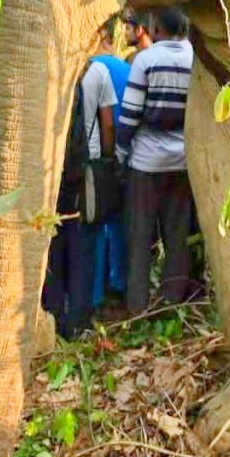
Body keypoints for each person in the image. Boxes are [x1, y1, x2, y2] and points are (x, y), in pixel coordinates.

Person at [117, 7, 197, 314]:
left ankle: (137, 306)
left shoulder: (146, 60)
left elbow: (130, 116)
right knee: (177, 237)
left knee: (140, 237)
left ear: (156, 28)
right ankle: (171, 305)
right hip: (182, 162)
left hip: (147, 164)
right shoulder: (194, 58)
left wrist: (122, 156)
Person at [44, 39, 118, 337]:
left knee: (53, 242)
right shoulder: (97, 71)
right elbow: (108, 123)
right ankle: (80, 318)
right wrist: (108, 159)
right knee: (84, 243)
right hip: (85, 170)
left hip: (52, 169)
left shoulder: (51, 70)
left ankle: (54, 315)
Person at [90, 18, 131, 311]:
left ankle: (95, 289)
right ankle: (119, 283)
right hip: (127, 156)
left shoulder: (87, 70)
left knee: (94, 223)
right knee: (118, 221)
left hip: (95, 159)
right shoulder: (128, 69)